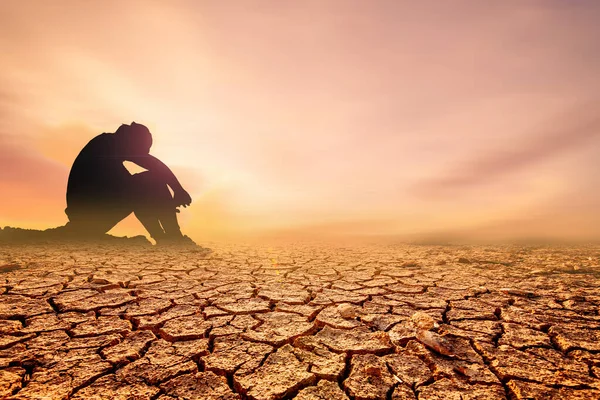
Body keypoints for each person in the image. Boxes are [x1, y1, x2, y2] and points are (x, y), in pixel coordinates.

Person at [64, 122, 195, 245]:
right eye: (143, 150)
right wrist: (177, 190)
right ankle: (171, 236)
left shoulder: (108, 151)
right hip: (88, 218)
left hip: (87, 215)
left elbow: (137, 192)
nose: (144, 154)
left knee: (147, 186)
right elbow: (154, 166)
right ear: (132, 141)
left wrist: (166, 200)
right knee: (153, 180)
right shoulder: (109, 144)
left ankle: (164, 237)